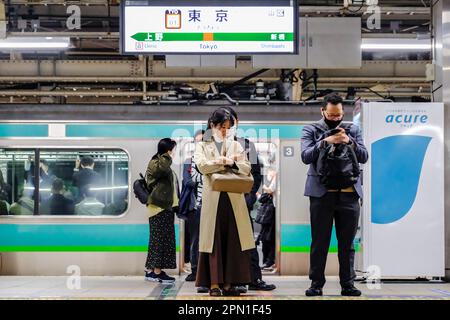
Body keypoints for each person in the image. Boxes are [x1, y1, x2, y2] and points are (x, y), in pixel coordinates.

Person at [300, 93, 368, 297]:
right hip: (321, 195)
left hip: (349, 195)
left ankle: (348, 284)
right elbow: (305, 156)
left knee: (347, 244)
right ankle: (316, 284)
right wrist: (326, 141)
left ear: (343, 112)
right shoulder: (310, 129)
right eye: (331, 115)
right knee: (319, 242)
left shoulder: (353, 130)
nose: (335, 118)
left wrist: (350, 142)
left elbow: (364, 156)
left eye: (338, 115)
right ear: (323, 111)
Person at [194, 108, 255, 297]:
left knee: (232, 241)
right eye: (222, 127)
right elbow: (202, 166)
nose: (225, 132)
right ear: (212, 126)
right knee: (213, 241)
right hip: (214, 198)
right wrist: (224, 162)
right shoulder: (202, 145)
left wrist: (232, 163)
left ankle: (229, 283)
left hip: (234, 199)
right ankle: (213, 283)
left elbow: (246, 168)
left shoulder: (236, 145)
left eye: (228, 128)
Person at [221, 106, 276, 292]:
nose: (227, 127)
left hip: (242, 200)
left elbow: (256, 174)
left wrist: (250, 196)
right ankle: (220, 281)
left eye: (231, 123)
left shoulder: (246, 144)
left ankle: (254, 278)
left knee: (247, 241)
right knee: (221, 243)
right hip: (219, 202)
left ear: (236, 123)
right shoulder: (210, 145)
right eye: (223, 123)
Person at [144, 138, 179, 284]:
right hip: (159, 208)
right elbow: (163, 170)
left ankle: (154, 271)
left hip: (164, 208)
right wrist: (166, 155)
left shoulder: (160, 161)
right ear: (168, 149)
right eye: (173, 150)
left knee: (162, 240)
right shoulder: (158, 162)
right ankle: (156, 272)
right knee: (160, 241)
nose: (174, 153)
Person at [184, 130, 205, 283]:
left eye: (202, 140)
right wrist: (205, 178)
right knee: (195, 240)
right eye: (197, 141)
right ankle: (195, 269)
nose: (200, 143)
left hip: (207, 204)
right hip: (194, 206)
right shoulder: (189, 161)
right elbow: (188, 181)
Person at [259, 166, 277, 271]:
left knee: (269, 237)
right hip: (272, 210)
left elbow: (270, 190)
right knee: (267, 237)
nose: (269, 173)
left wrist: (265, 187)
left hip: (273, 211)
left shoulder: (276, 178)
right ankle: (269, 261)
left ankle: (269, 261)